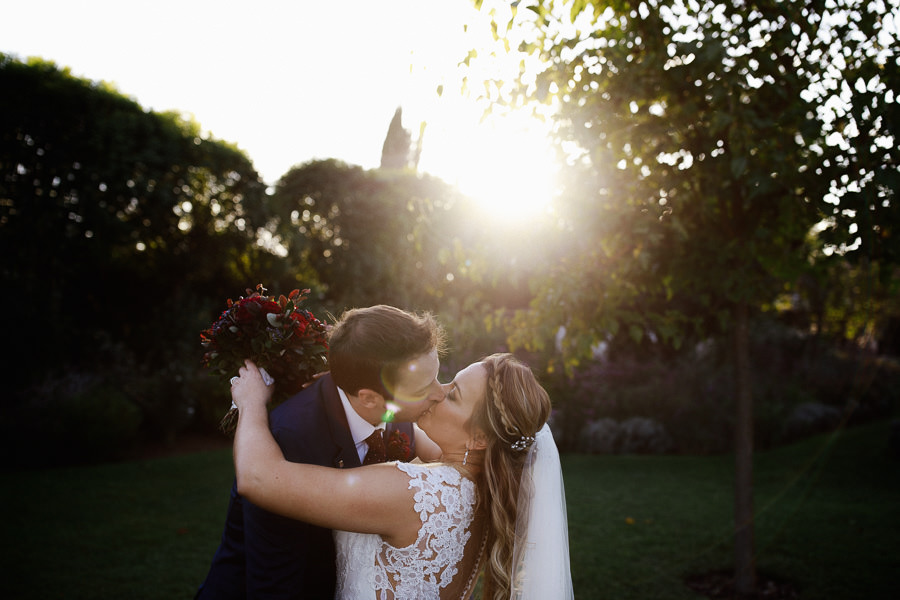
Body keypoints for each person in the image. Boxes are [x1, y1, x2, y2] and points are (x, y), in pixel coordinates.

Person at [231, 352, 574, 599]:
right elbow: (408, 420)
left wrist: (250, 403)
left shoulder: (414, 493)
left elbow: (259, 478)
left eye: (452, 393)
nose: (437, 392)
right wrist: (359, 393)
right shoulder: (485, 489)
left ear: (480, 438)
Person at [195, 305, 447, 599]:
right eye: (422, 388)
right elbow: (273, 581)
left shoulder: (397, 417)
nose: (439, 393)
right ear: (367, 398)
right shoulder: (289, 440)